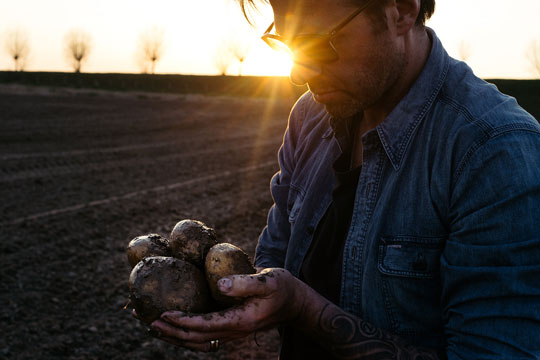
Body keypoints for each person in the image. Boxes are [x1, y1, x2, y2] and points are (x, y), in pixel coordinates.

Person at [147, 0, 540, 358]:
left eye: (319, 45)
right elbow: (277, 255)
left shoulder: (493, 150)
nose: (298, 74)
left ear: (401, 10)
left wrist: (304, 309)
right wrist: (220, 301)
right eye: (286, 46)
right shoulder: (309, 117)